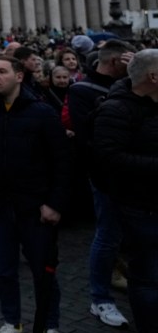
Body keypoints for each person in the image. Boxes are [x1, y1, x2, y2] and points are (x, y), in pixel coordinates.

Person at [0, 56, 70, 333]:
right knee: (4, 271)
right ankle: (12, 320)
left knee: (42, 271)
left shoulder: (42, 113)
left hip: (35, 207)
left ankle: (49, 323)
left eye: (2, 72)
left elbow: (63, 161)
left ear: (19, 76)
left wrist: (54, 203)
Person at [67, 39, 135, 325]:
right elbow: (89, 138)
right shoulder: (82, 91)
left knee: (134, 237)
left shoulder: (131, 88)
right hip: (105, 177)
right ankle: (100, 297)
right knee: (106, 236)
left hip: (135, 180)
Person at [93, 49, 158, 332]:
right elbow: (108, 158)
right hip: (138, 205)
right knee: (146, 276)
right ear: (153, 76)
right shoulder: (115, 109)